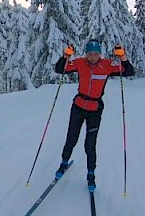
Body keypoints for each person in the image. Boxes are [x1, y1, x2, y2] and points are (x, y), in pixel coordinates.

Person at [54, 40, 135, 191]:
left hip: (95, 109)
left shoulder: (107, 65)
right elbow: (60, 69)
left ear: (100, 54)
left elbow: (129, 71)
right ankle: (63, 164)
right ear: (86, 53)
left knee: (90, 145)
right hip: (78, 107)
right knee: (71, 138)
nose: (92, 57)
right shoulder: (79, 63)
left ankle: (91, 175)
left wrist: (122, 56)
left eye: (96, 54)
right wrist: (65, 56)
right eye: (90, 54)